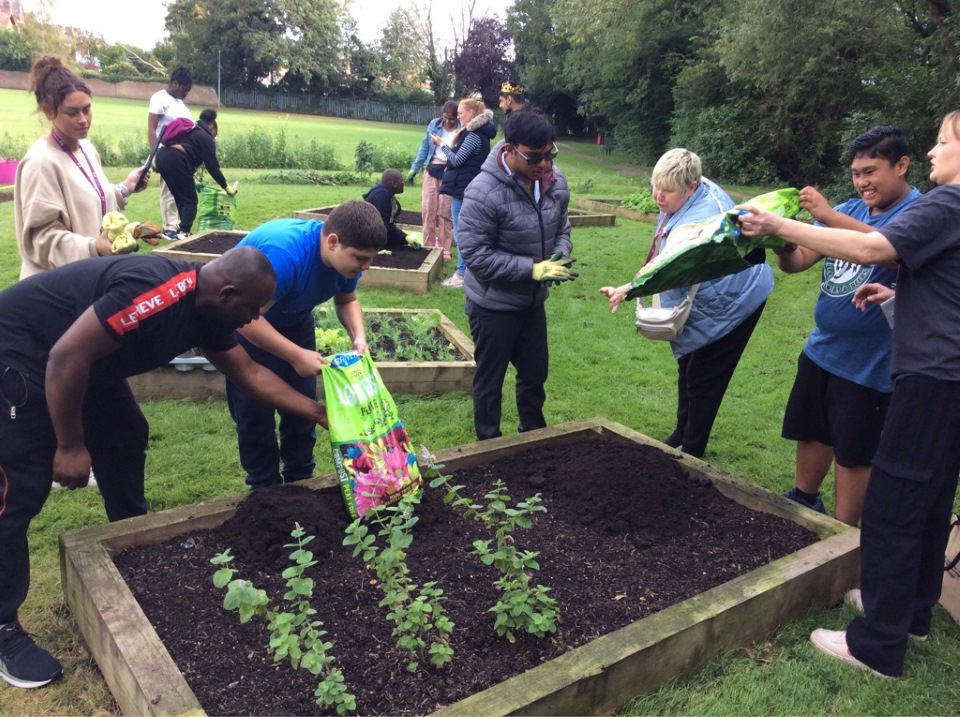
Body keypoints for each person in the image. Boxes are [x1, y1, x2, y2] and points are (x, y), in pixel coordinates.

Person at [0, 247, 330, 689]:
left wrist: (319, 413)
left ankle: (126, 543)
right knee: (16, 493)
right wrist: (71, 445)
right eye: (252, 310)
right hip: (25, 355)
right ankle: (3, 631)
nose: (254, 320)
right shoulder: (156, 292)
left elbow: (249, 373)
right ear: (228, 294)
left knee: (125, 435)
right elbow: (64, 357)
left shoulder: (212, 309)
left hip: (87, 365)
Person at [737, 110, 960, 679]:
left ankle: (877, 644)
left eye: (942, 141)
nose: (935, 151)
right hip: (946, 378)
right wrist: (894, 295)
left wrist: (777, 226)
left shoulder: (947, 204)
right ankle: (910, 612)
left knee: (892, 504)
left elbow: (867, 248)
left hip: (932, 379)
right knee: (931, 501)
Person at [777, 126, 921, 525]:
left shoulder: (917, 213)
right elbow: (799, 261)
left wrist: (826, 216)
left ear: (902, 165)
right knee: (813, 429)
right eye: (856, 173)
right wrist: (783, 246)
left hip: (871, 361)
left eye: (871, 171)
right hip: (823, 348)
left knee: (855, 449)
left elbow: (890, 250)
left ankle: (844, 531)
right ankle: (804, 499)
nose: (862, 182)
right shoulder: (852, 209)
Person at [599, 148, 773, 458]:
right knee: (687, 365)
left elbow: (669, 270)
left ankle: (692, 452)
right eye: (656, 186)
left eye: (667, 191)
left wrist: (626, 290)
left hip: (736, 302)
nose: (658, 196)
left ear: (692, 187)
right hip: (711, 291)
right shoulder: (691, 187)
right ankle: (682, 433)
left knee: (703, 376)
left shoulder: (698, 222)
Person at [227, 201, 386, 490]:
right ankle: (264, 490)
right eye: (361, 258)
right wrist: (295, 355)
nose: (366, 267)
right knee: (256, 416)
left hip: (294, 321)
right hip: (249, 326)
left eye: (370, 259)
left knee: (302, 410)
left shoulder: (345, 263)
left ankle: (301, 481)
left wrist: (358, 337)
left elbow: (347, 300)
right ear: (333, 242)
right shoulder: (286, 257)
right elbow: (245, 320)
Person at [458, 107, 577, 440]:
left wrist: (560, 254)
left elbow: (563, 228)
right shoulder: (482, 192)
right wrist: (532, 269)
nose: (544, 164)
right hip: (492, 305)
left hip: (532, 303)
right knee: (490, 381)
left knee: (534, 375)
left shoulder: (555, 182)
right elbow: (476, 256)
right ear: (509, 150)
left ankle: (532, 437)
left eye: (550, 154)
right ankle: (489, 443)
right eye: (535, 157)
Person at [14, 57, 151, 280]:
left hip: (91, 278)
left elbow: (91, 202)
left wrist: (126, 188)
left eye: (87, 110)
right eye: (72, 112)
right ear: (49, 111)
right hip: (56, 290)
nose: (83, 120)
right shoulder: (40, 163)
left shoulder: (86, 148)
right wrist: (93, 248)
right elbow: (41, 239)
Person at [439, 98, 498, 287]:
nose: (458, 117)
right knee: (467, 233)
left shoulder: (473, 135)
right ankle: (468, 273)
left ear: (471, 114)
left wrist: (442, 145)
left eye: (461, 113)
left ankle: (461, 275)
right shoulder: (477, 134)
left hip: (464, 191)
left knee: (462, 234)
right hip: (467, 189)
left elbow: (456, 160)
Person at [154, 108, 235, 238]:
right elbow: (212, 166)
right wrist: (225, 186)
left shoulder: (190, 131)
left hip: (162, 157)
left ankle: (181, 230)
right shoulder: (205, 137)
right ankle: (184, 232)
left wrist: (194, 181)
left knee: (180, 197)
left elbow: (186, 157)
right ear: (212, 127)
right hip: (175, 160)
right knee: (190, 201)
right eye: (215, 133)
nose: (215, 136)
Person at [407, 101, 459, 258]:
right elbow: (425, 147)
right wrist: (414, 169)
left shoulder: (461, 129)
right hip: (431, 170)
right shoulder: (433, 125)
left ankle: (445, 249)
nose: (448, 122)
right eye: (445, 118)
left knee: (445, 211)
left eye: (452, 119)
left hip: (449, 171)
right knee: (428, 209)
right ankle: (428, 246)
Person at [147, 66, 193, 239]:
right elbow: (152, 128)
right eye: (185, 90)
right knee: (169, 191)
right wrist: (156, 155)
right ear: (175, 83)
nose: (186, 94)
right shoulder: (160, 99)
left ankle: (181, 227)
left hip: (181, 156)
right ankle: (169, 228)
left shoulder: (181, 105)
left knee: (182, 191)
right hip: (165, 152)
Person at [363, 169, 415, 250]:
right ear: (393, 183)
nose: (403, 183)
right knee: (396, 241)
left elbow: (388, 225)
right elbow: (381, 224)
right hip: (367, 234)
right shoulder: (381, 195)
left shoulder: (387, 194)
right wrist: (380, 249)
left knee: (401, 240)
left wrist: (405, 237)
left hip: (373, 232)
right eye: (401, 181)